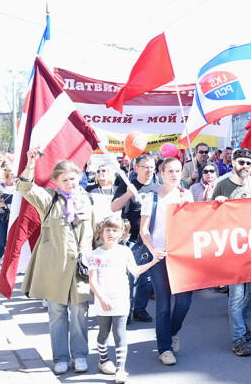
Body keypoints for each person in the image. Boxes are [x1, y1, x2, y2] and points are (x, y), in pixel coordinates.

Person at [18, 148, 94, 375]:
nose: (70, 182)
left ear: (79, 176)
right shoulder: (49, 199)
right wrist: (31, 163)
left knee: (80, 313)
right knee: (57, 314)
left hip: (80, 268)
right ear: (57, 181)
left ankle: (79, 356)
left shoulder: (87, 200)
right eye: (64, 179)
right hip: (55, 268)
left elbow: (94, 233)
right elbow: (25, 188)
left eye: (73, 178)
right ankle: (60, 358)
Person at [89, 215, 163, 383]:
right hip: (102, 300)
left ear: (121, 233)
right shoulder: (95, 254)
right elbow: (92, 280)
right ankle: (103, 360)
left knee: (120, 333)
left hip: (121, 298)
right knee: (103, 333)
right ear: (101, 232)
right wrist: (101, 298)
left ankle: (120, 369)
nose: (111, 233)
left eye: (115, 230)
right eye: (108, 230)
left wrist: (152, 262)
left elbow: (135, 271)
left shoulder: (125, 251)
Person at [140, 157, 194, 365]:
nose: (174, 174)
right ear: (161, 173)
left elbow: (196, 222)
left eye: (177, 171)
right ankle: (164, 348)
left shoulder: (186, 194)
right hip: (159, 255)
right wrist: (153, 250)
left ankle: (171, 332)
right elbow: (145, 230)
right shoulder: (151, 198)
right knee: (163, 303)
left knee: (184, 302)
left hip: (182, 255)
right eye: (169, 171)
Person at [211, 148, 251, 356]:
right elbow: (209, 214)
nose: (245, 166)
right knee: (236, 295)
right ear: (232, 162)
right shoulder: (222, 185)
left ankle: (239, 320)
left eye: (248, 163)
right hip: (232, 249)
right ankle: (238, 339)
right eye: (241, 162)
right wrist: (218, 205)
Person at [111, 154, 160, 324]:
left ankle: (140, 309)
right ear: (137, 168)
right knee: (131, 277)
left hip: (150, 240)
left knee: (146, 279)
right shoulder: (127, 185)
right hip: (131, 240)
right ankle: (127, 310)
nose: (149, 170)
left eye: (152, 167)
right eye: (145, 166)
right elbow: (113, 207)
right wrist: (127, 194)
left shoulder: (157, 188)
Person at [0, 167, 15, 271]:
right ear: (9, 175)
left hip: (14, 215)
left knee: (14, 239)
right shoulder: (0, 186)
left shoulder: (18, 186)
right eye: (14, 174)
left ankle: (12, 263)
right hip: (2, 215)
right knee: (1, 240)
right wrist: (6, 204)